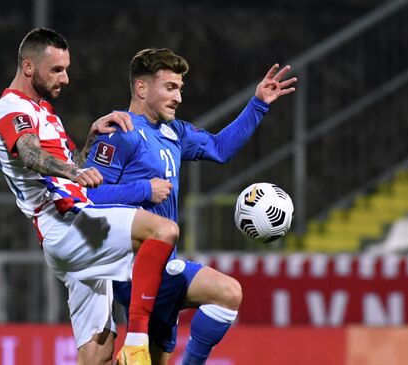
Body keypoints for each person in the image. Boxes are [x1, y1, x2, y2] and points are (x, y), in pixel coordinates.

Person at [85, 48, 297, 364]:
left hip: (163, 266)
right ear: (142, 89)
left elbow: (220, 149)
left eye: (180, 89)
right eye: (170, 87)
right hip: (131, 271)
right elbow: (89, 198)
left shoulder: (175, 132)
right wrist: (144, 189)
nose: (179, 97)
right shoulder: (120, 133)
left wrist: (258, 105)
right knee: (227, 293)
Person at [0, 28, 178, 365]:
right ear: (29, 67)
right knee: (163, 231)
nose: (66, 78)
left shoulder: (45, 113)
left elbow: (68, 166)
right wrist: (75, 173)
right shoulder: (11, 108)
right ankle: (138, 341)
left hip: (76, 232)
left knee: (99, 354)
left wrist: (90, 140)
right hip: (69, 226)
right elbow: (30, 154)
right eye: (57, 70)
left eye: (66, 68)